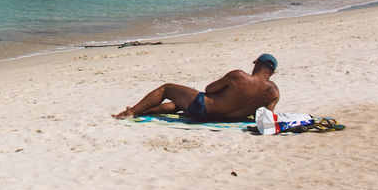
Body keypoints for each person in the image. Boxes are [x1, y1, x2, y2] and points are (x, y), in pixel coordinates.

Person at [112, 54, 280, 121]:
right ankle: (145, 111)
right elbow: (264, 117)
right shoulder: (273, 93)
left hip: (203, 109)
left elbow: (209, 89)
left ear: (256, 63)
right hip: (222, 119)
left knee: (167, 89)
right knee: (179, 104)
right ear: (272, 73)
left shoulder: (239, 76)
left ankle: (131, 112)